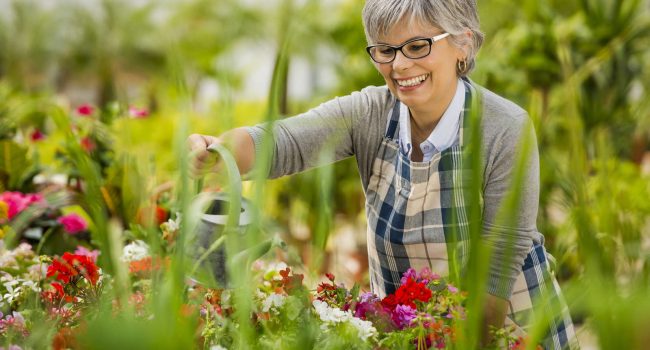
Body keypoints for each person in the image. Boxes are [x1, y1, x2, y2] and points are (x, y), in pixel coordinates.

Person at [188, 1, 578, 348]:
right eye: (385, 50)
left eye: (416, 46)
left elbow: (499, 261)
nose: (399, 65)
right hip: (410, 332)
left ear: (463, 43)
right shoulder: (369, 113)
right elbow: (287, 142)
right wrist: (219, 149)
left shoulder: (504, 127)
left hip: (506, 325)